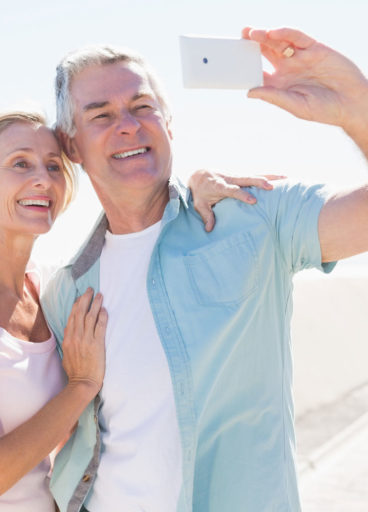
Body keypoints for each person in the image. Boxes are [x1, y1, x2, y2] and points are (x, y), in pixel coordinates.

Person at [41, 27, 368, 512]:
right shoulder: (66, 292)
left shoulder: (255, 217)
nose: (128, 125)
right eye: (101, 115)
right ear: (71, 146)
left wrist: (355, 105)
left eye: (142, 106)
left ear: (169, 122)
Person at [0, 110, 254, 510]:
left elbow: (140, 266)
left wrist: (195, 189)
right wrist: (81, 386)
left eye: (54, 166)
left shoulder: (52, 289)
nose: (43, 179)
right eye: (20, 164)